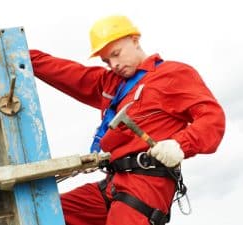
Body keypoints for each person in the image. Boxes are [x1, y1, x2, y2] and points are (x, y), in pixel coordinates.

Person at [30, 15, 225, 225]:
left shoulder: (173, 74)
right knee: (41, 214)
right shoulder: (112, 85)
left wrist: (180, 144)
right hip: (113, 183)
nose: (113, 64)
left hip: (146, 184)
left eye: (116, 54)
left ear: (134, 40)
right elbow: (67, 72)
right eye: (106, 61)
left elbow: (213, 118)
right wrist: (20, 56)